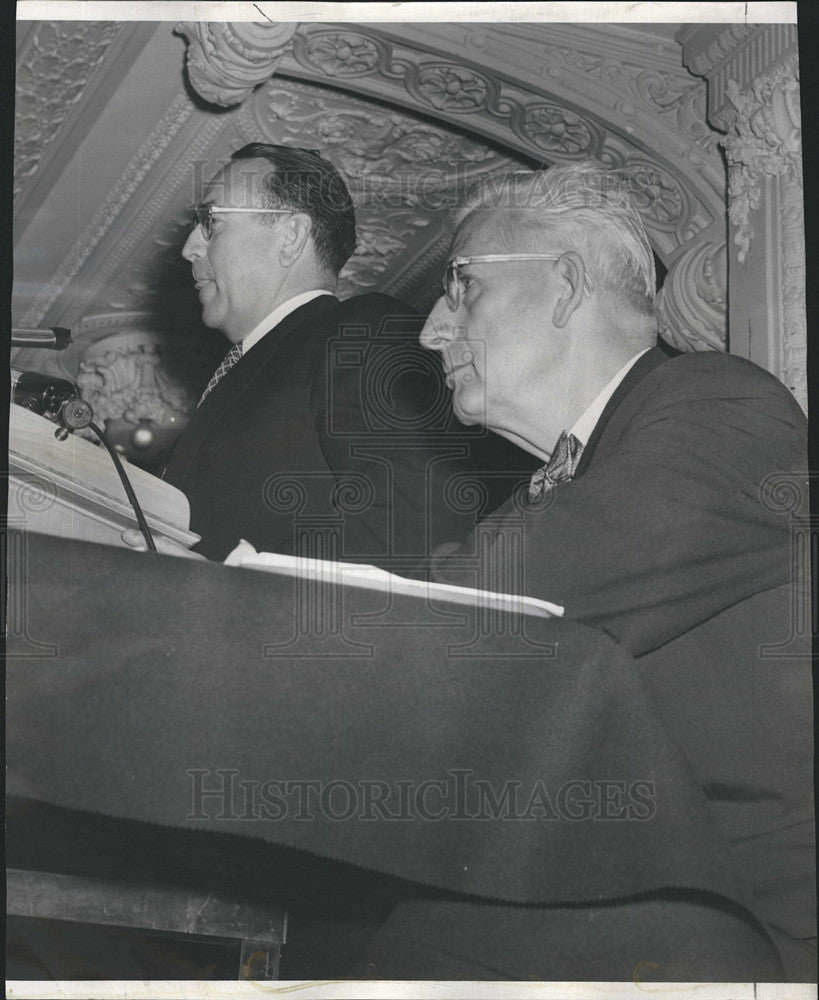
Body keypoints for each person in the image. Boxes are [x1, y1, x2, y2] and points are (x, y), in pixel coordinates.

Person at [417, 162, 814, 980]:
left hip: (749, 930)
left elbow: (489, 605)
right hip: (627, 902)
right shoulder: (554, 487)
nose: (429, 331)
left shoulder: (723, 404)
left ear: (562, 287)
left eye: (460, 289)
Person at [155, 143, 478, 564]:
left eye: (210, 222)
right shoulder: (238, 376)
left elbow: (411, 525)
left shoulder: (360, 332)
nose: (189, 247)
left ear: (290, 237)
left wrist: (224, 588)